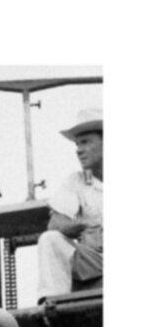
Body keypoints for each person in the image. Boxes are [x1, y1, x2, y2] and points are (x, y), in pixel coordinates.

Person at [37, 107, 103, 300]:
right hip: (97, 261)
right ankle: (52, 306)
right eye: (77, 144)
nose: (79, 150)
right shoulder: (76, 181)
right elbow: (55, 224)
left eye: (85, 142)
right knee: (50, 239)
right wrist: (85, 225)